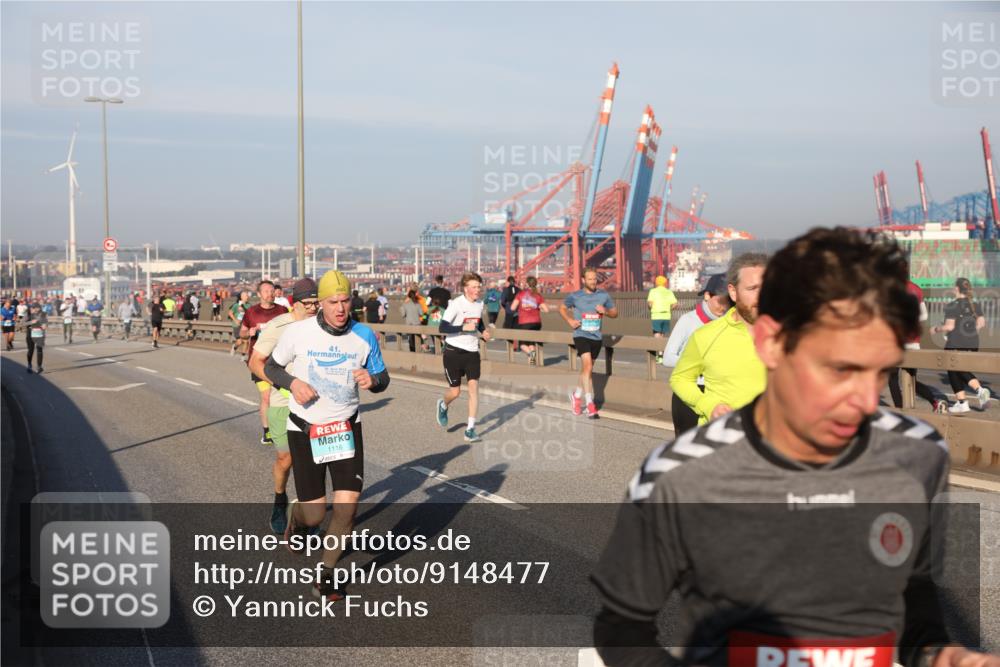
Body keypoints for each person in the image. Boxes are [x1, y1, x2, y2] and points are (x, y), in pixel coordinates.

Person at [592, 227, 1000, 667]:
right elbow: (621, 631)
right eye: (839, 368)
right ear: (771, 343)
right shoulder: (680, 474)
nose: (864, 401)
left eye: (880, 371)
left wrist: (949, 658)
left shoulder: (918, 454)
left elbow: (914, 616)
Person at [263, 270, 389, 601]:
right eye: (333, 301)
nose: (340, 308)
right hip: (305, 430)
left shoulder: (364, 335)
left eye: (345, 300)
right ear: (320, 303)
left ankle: (325, 575)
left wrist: (372, 381)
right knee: (316, 514)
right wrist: (292, 383)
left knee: (347, 510)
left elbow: (382, 376)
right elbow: (270, 368)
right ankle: (296, 518)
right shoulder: (298, 333)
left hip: (346, 428)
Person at [248, 278, 319, 535]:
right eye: (308, 303)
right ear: (294, 303)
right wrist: (281, 384)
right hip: (283, 401)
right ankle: (280, 498)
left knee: (312, 461)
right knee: (286, 458)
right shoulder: (280, 326)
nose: (313, 308)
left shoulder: (324, 325)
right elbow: (256, 362)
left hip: (315, 404)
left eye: (316, 303)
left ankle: (306, 515)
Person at [669, 253, 767, 426]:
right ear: (733, 292)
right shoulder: (706, 335)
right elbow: (680, 379)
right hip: (722, 443)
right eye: (752, 289)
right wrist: (709, 405)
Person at [661, 273, 731, 434]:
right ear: (707, 295)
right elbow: (668, 357)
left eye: (728, 302)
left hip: (718, 393)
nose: (724, 307)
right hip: (689, 393)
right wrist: (699, 366)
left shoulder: (729, 324)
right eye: (720, 301)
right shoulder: (688, 321)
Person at [435, 272, 492, 443]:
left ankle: (470, 429)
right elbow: (442, 328)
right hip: (453, 352)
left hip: (472, 352)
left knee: (474, 389)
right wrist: (462, 328)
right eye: (474, 287)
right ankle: (443, 405)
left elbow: (478, 323)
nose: (477, 290)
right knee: (455, 391)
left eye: (479, 287)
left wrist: (483, 332)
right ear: (466, 289)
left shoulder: (480, 304)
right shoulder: (456, 304)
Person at [560, 267, 618, 418]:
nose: (593, 282)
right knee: (588, 366)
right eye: (590, 279)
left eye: (595, 279)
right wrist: (570, 321)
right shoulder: (575, 296)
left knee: (587, 370)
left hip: (596, 337)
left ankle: (576, 396)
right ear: (583, 280)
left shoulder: (603, 295)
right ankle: (590, 404)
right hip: (581, 335)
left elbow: (615, 313)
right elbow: (562, 308)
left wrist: (605, 311)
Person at [932, 277, 991, 413]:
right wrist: (970, 332)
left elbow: (949, 326)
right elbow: (981, 323)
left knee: (954, 367)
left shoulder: (952, 305)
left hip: (956, 341)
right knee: (957, 369)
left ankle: (977, 392)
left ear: (957, 289)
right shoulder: (975, 305)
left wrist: (935, 329)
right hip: (973, 342)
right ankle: (963, 402)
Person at [240, 280, 290, 445]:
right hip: (259, 361)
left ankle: (286, 427)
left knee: (284, 396)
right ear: (260, 294)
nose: (271, 293)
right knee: (267, 397)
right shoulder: (251, 312)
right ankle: (267, 431)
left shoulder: (283, 311)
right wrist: (249, 332)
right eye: (267, 291)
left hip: (281, 361)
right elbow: (242, 334)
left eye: (272, 290)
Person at [888, 277, 947, 413]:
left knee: (892, 379)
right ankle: (935, 402)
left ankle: (901, 411)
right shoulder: (916, 288)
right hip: (914, 342)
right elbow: (924, 315)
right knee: (911, 381)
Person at [511, 275, 550, 366]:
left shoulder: (520, 294)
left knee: (522, 344)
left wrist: (521, 308)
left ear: (527, 284)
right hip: (537, 322)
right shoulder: (538, 295)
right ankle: (531, 363)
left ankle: (531, 355)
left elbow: (512, 308)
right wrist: (537, 308)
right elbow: (547, 310)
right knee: (531, 343)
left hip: (525, 322)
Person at [647, 275, 677, 362]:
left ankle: (659, 356)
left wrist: (651, 307)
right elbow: (675, 304)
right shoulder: (669, 292)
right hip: (666, 316)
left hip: (656, 315)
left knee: (657, 334)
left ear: (656, 283)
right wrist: (669, 309)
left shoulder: (653, 291)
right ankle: (661, 354)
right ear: (665, 283)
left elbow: (650, 303)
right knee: (662, 335)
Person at [24, 302, 47, 374]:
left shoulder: (42, 315)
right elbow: (21, 324)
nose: (35, 309)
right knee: (31, 350)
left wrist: (44, 326)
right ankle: (29, 364)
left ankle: (39, 367)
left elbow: (45, 323)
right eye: (33, 308)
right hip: (30, 334)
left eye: (37, 308)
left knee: (39, 349)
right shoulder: (27, 314)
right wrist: (31, 322)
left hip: (39, 334)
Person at [229, 290, 250, 356]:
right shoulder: (236, 305)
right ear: (241, 297)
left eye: (247, 295)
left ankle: (243, 356)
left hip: (245, 326)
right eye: (246, 295)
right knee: (240, 341)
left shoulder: (249, 305)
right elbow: (230, 313)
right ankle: (234, 347)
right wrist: (235, 320)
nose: (248, 297)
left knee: (246, 341)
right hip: (237, 325)